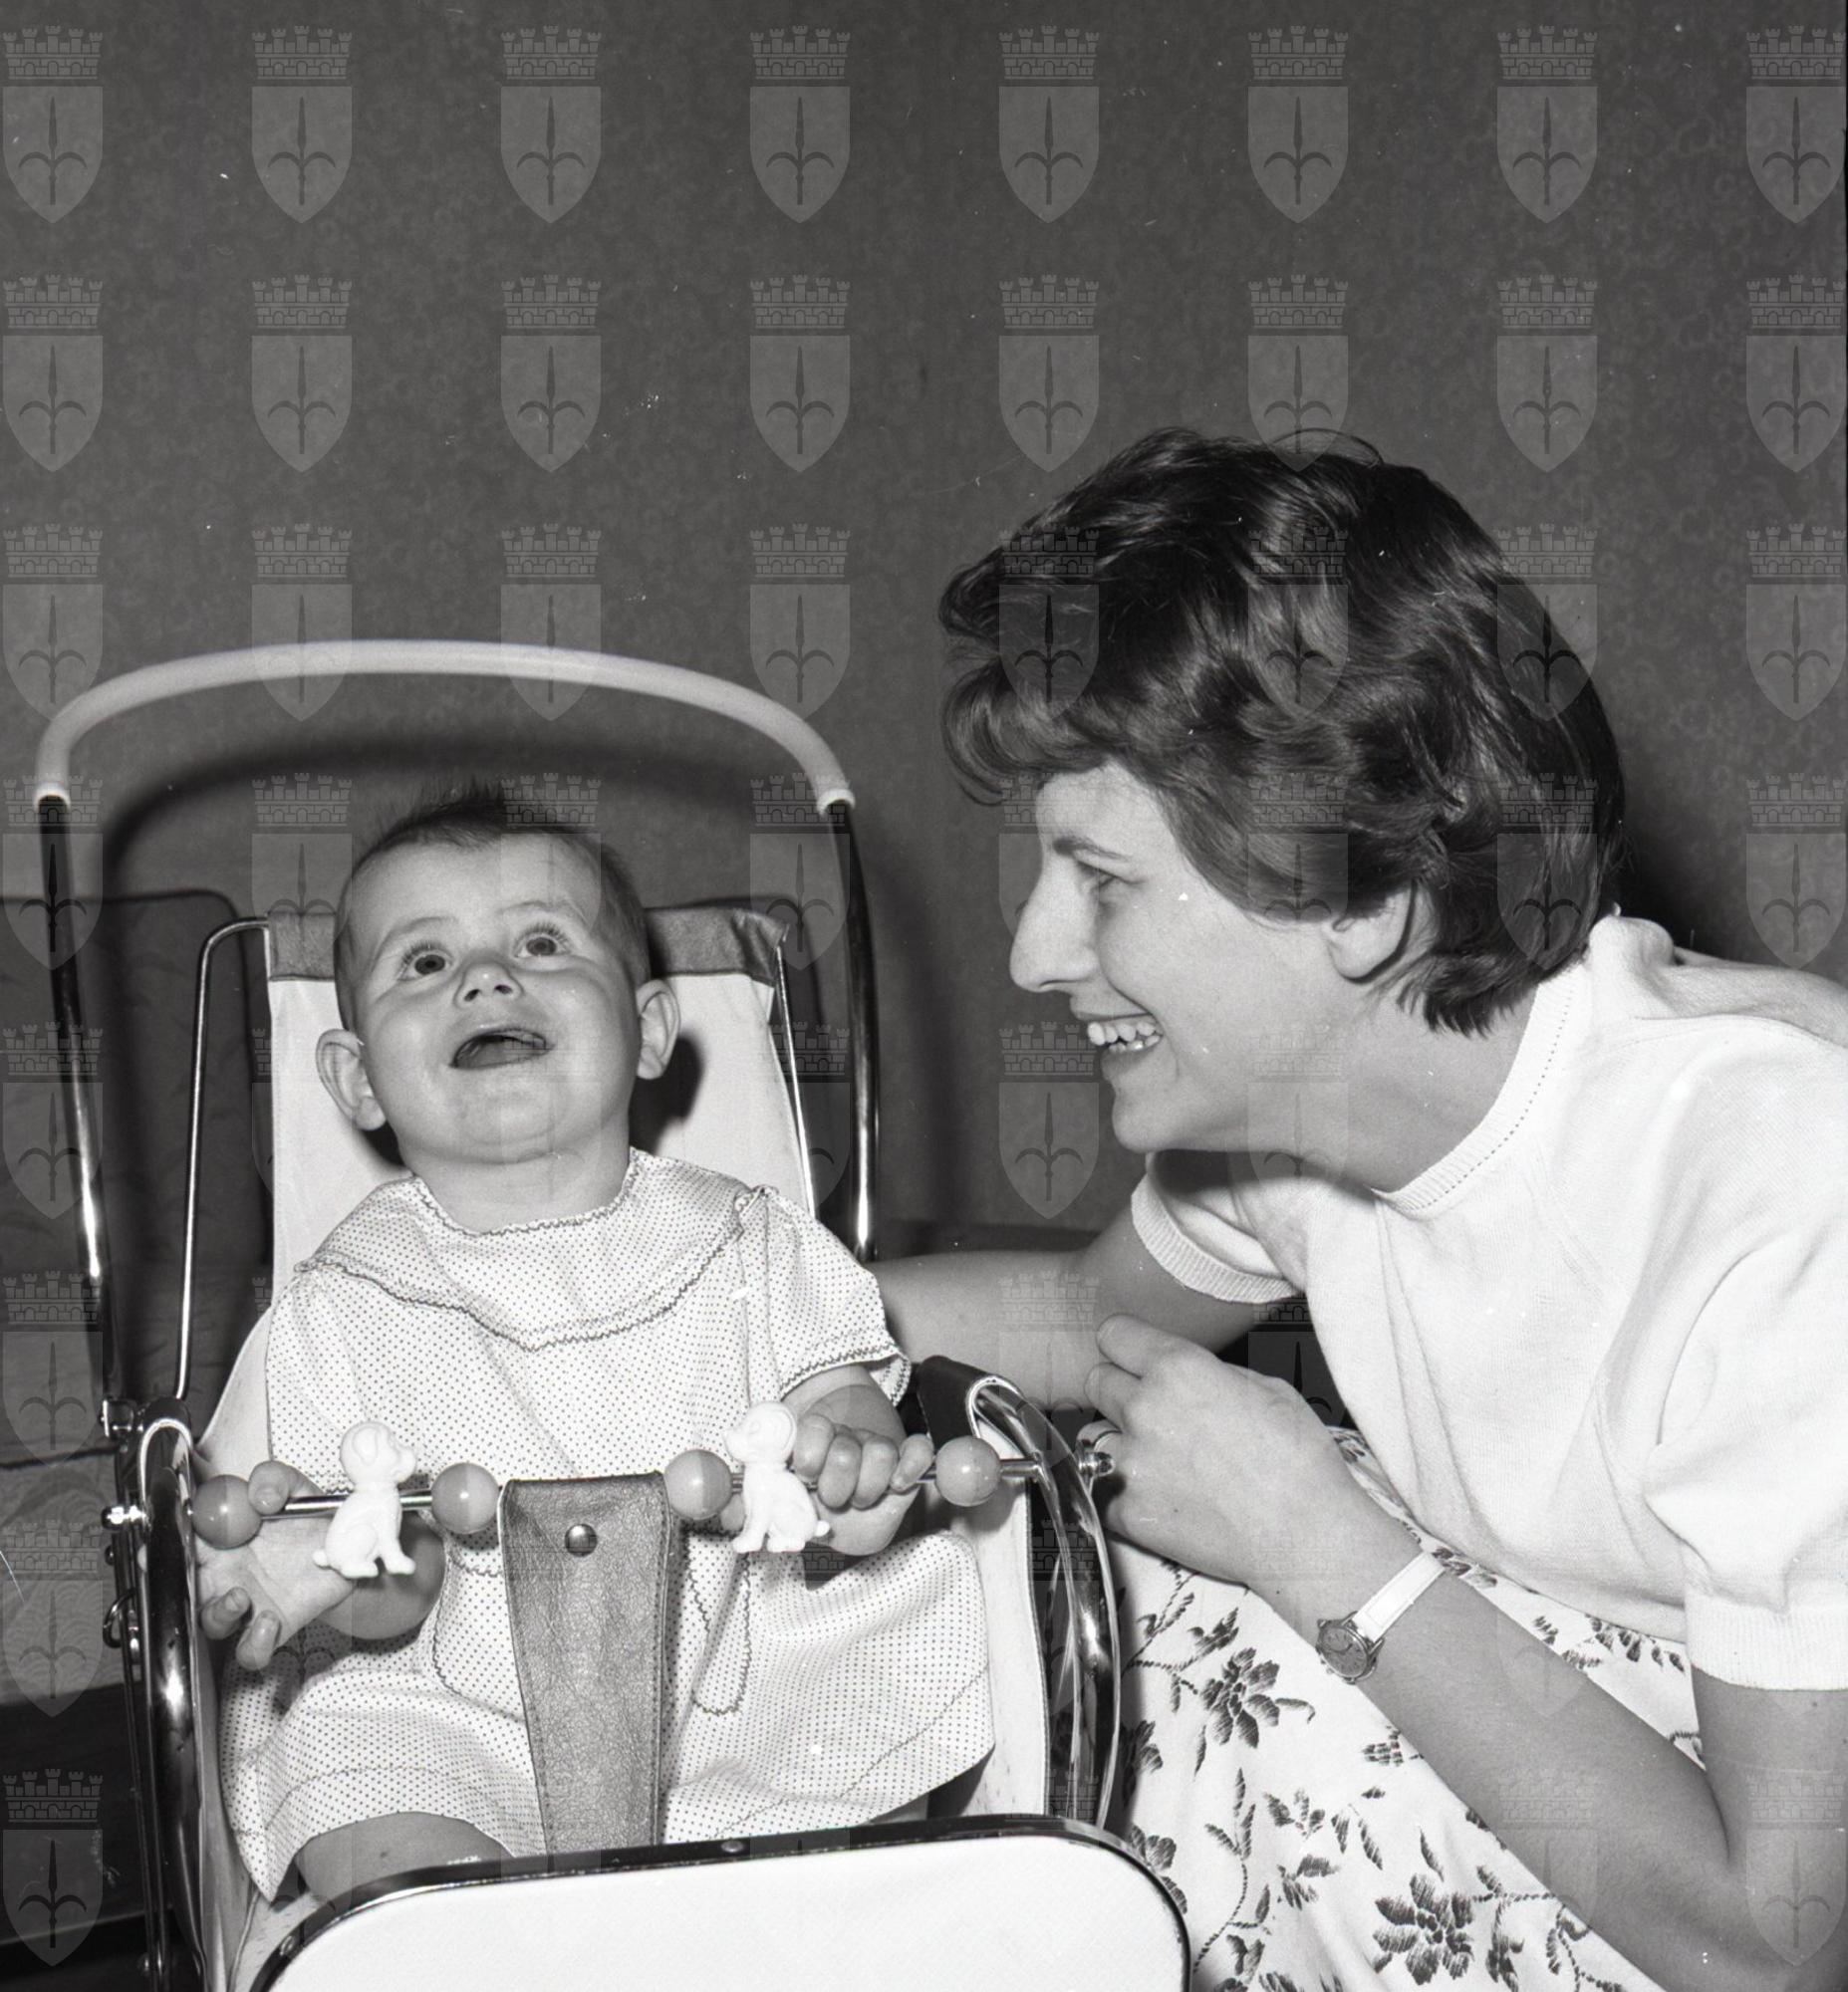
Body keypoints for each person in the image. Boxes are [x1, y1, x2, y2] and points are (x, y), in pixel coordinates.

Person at [876, 429, 1848, 1992]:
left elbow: (1783, 1946)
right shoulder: (1303, 1110)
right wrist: (724, 1298)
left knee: (1224, 1599)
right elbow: (1076, 1320)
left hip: (1757, 1888)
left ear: (1356, 897)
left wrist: (1313, 1546)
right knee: (1059, 1556)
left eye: (1099, 880)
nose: (1032, 954)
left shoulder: (1779, 1184)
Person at [196, 785, 991, 1910]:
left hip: (737, 1684)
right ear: (358, 1078)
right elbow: (393, 1594)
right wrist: (344, 1571)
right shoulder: (337, 1304)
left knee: (865, 1688)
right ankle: (465, 1933)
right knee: (354, 1760)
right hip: (445, 1716)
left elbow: (839, 1393)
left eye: (540, 942)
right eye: (424, 961)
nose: (485, 978)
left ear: (650, 1028)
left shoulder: (750, 1239)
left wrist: (851, 1458)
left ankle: (783, 1920)